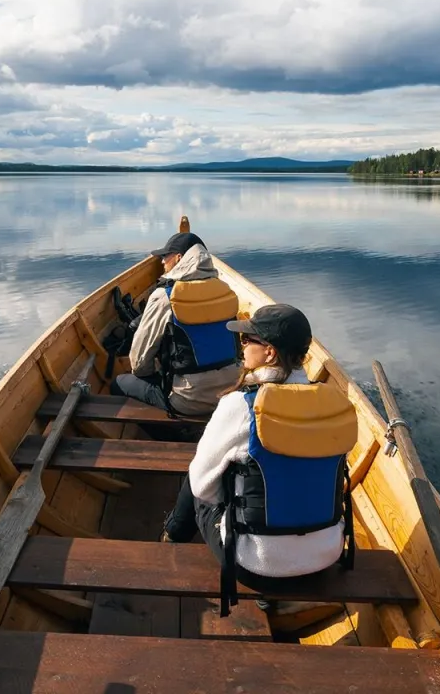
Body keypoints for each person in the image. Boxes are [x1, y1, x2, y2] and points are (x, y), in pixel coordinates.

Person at [159, 304, 357, 616]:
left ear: (270, 353)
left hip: (254, 566)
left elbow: (202, 487)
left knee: (196, 478)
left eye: (248, 340)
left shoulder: (243, 405)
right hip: (326, 557)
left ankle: (171, 539)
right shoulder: (333, 404)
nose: (242, 346)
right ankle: (275, 593)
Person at [109, 231, 241, 438]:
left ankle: (174, 437)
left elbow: (139, 361)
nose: (162, 262)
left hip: (189, 400)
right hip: (231, 391)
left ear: (179, 258)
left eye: (165, 256)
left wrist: (156, 377)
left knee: (119, 384)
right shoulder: (225, 290)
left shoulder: (166, 296)